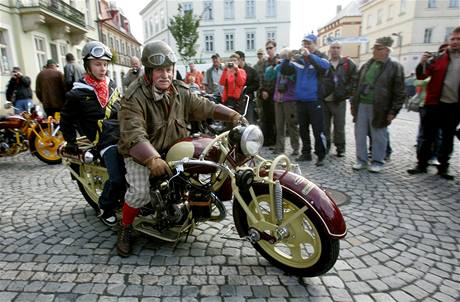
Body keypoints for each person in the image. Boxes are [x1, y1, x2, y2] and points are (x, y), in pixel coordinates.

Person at [116, 40, 247, 257]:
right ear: (148, 72)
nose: (165, 75)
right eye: (159, 70)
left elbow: (204, 105)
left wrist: (231, 115)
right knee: (139, 193)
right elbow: (134, 133)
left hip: (173, 146)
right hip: (140, 153)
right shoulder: (133, 96)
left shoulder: (179, 90)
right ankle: (125, 228)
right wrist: (151, 159)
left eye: (168, 69)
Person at [61, 41, 125, 226]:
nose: (102, 68)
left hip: (123, 135)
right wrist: (71, 141)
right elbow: (65, 119)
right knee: (117, 178)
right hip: (105, 141)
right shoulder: (78, 92)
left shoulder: (111, 85)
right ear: (88, 65)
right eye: (97, 64)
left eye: (105, 64)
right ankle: (105, 207)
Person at [407, 27, 460, 180]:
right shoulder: (438, 58)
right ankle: (421, 164)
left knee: (447, 138)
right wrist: (422, 63)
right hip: (434, 104)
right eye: (453, 39)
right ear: (449, 41)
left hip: (454, 105)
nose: (455, 42)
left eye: (459, 39)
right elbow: (422, 75)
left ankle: (443, 167)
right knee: (426, 136)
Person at [351, 36, 405, 173]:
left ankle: (377, 161)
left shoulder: (394, 66)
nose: (374, 51)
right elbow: (356, 85)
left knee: (379, 135)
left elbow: (399, 91)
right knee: (360, 133)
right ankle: (361, 160)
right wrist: (353, 104)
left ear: (387, 50)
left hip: (381, 107)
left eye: (378, 48)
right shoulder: (367, 64)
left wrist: (393, 111)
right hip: (362, 104)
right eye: (374, 48)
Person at [288, 34, 330, 166]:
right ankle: (306, 153)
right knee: (303, 129)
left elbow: (324, 67)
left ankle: (321, 155)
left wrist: (310, 56)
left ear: (315, 44)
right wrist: (286, 58)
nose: (306, 46)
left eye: (309, 44)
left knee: (318, 130)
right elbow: (285, 70)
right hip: (301, 100)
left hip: (315, 100)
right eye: (304, 44)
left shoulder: (321, 56)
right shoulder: (299, 59)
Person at [322, 41, 358, 157]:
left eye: (337, 47)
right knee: (325, 126)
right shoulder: (325, 63)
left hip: (339, 99)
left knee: (339, 125)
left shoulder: (348, 63)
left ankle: (340, 148)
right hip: (325, 99)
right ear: (329, 49)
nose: (335, 50)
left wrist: (345, 92)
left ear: (341, 49)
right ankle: (326, 146)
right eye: (333, 47)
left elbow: (354, 80)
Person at [273, 48, 300, 155]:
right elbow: (270, 76)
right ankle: (280, 147)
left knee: (292, 124)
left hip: (289, 99)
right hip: (278, 99)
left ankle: (296, 148)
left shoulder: (292, 67)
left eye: (284, 56)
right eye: (281, 56)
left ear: (289, 57)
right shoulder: (278, 68)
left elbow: (294, 78)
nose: (282, 59)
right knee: (279, 125)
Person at [259, 40, 278, 146]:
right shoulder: (264, 62)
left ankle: (275, 140)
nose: (269, 50)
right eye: (267, 48)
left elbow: (277, 79)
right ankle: (267, 138)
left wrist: (269, 92)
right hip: (265, 94)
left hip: (274, 94)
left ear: (275, 48)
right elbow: (262, 78)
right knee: (266, 118)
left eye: (271, 48)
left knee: (275, 119)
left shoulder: (278, 61)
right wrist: (263, 91)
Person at [235, 50, 259, 124]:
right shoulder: (234, 71)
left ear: (242, 59)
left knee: (249, 120)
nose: (235, 61)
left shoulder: (252, 71)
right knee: (237, 121)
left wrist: (245, 89)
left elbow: (257, 85)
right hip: (237, 100)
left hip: (248, 99)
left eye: (237, 59)